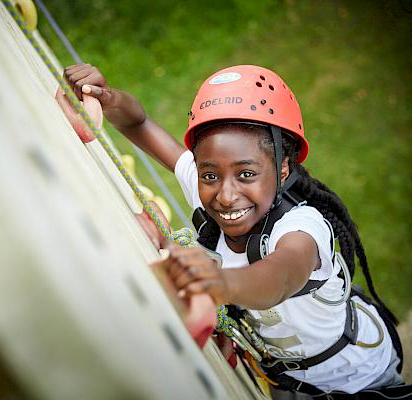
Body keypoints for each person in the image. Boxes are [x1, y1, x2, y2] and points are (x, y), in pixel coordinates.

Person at [63, 63, 407, 397]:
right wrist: (108, 98)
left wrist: (221, 284)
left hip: (358, 378)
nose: (226, 196)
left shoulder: (302, 230)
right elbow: (138, 124)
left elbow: (279, 278)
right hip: (285, 379)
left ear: (283, 169)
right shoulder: (206, 189)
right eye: (210, 174)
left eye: (246, 174)